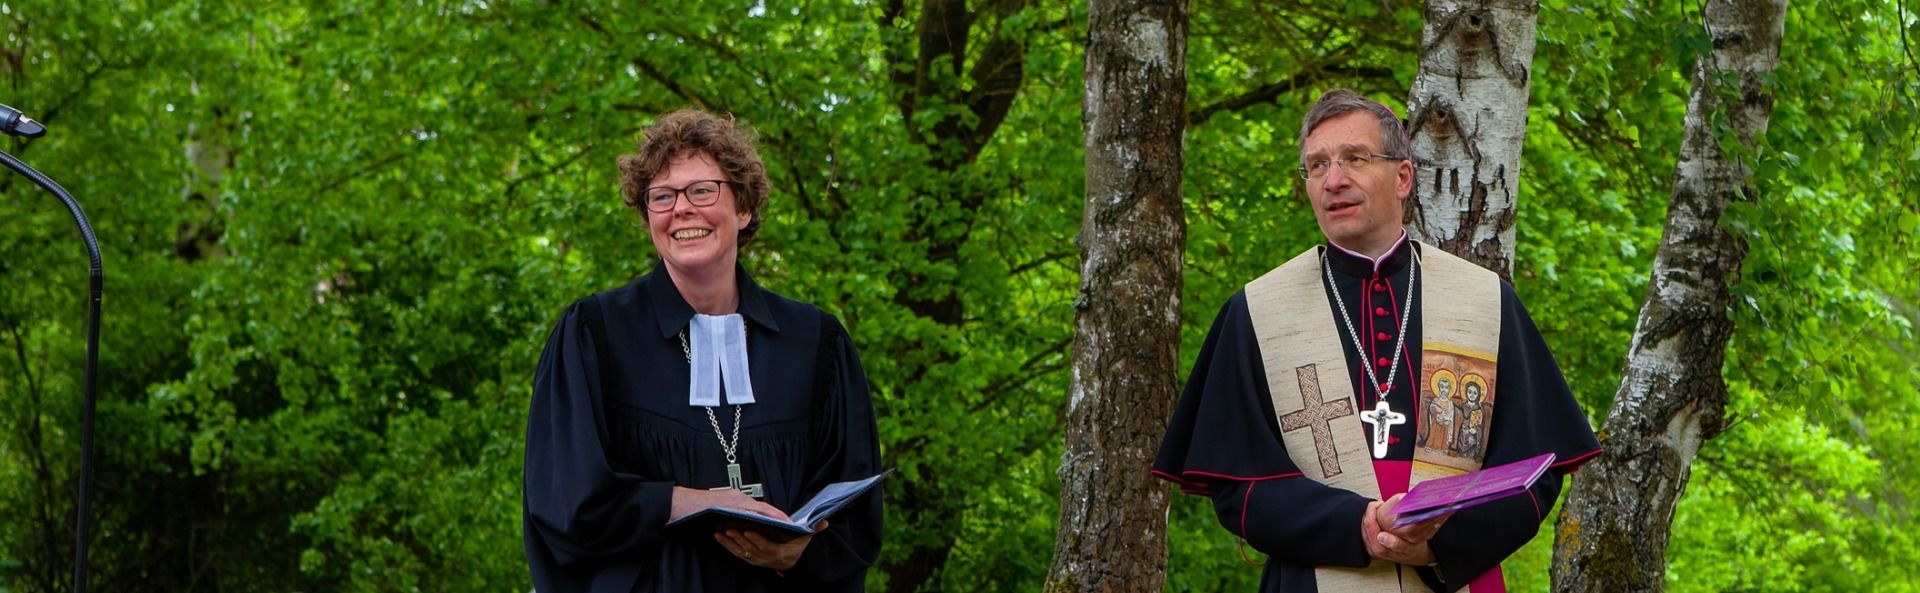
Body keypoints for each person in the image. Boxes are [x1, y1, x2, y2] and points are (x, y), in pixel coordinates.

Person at [1152, 89, 1601, 593]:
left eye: (1355, 158)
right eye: (1317, 165)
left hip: (1456, 578)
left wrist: (1439, 544)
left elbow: (1532, 473)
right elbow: (1240, 487)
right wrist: (1359, 525)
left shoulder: (1484, 301)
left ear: (1403, 177)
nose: (1334, 179)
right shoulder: (1256, 311)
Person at [523, 109, 882, 592]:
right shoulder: (594, 335)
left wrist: (801, 553)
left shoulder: (816, 343)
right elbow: (564, 504)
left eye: (702, 190)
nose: (681, 209)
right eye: (662, 197)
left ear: (744, 208)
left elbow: (856, 522)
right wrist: (688, 501)